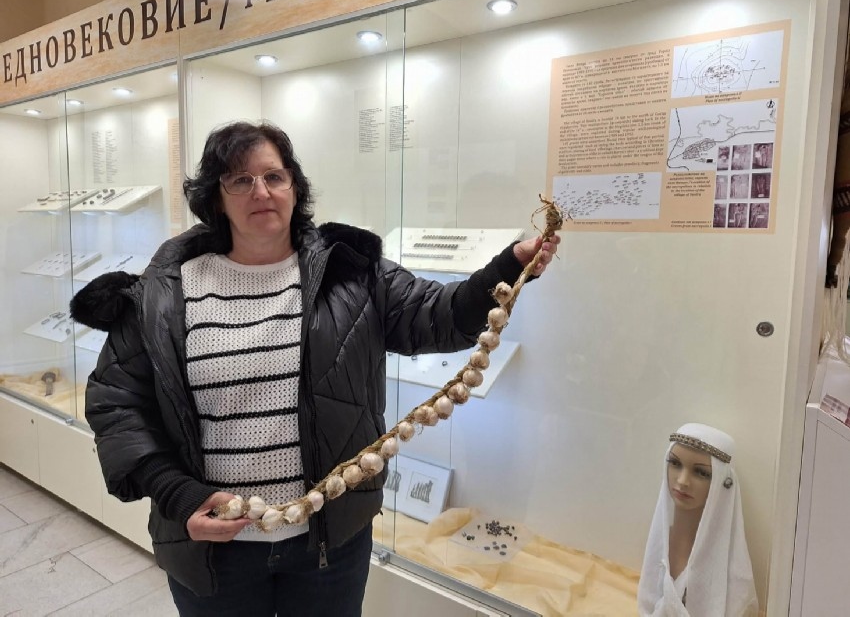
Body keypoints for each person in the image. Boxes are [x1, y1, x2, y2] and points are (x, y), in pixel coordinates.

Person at [69, 120, 559, 616]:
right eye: (240, 180)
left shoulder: (351, 271)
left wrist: (508, 267)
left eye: (274, 176)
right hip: (213, 552)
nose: (261, 191)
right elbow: (116, 405)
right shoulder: (163, 293)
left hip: (328, 546)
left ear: (295, 187)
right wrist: (176, 494)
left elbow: (438, 316)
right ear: (216, 197)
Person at [637, 423, 758, 616]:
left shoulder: (732, 570)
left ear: (722, 480)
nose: (682, 481)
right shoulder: (661, 542)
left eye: (701, 473)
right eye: (675, 463)